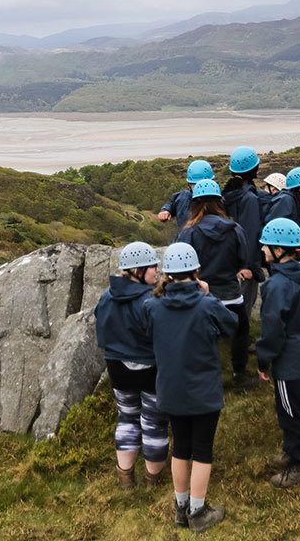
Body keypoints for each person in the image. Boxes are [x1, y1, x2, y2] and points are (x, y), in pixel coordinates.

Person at [140, 242, 237, 533]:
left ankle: (180, 508)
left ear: (166, 274)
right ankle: (198, 511)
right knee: (202, 450)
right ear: (196, 271)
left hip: (170, 389)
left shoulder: (152, 306)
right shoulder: (206, 304)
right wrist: (209, 294)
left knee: (180, 447)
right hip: (203, 390)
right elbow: (231, 326)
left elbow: (148, 331)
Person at [94, 242, 169, 490]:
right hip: (150, 369)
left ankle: (125, 478)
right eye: (152, 266)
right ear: (138, 270)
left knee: (126, 417)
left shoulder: (107, 296)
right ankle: (152, 480)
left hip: (117, 366)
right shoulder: (151, 300)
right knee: (153, 422)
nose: (156, 270)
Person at [177, 179, 262, 389]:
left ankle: (205, 378)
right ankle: (239, 375)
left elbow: (182, 264)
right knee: (241, 332)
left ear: (195, 203)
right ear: (220, 202)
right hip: (231, 293)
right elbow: (242, 258)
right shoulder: (234, 229)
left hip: (201, 295)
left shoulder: (188, 233)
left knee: (203, 338)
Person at [255, 218, 300, 488]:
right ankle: (298, 452)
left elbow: (272, 330)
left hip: (288, 360)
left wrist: (263, 360)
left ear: (278, 250)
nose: (262, 250)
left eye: (265, 246)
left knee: (290, 411)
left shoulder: (277, 285)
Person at [222, 146, 267, 318]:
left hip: (228, 258)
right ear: (254, 170)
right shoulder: (249, 199)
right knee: (245, 305)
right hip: (244, 262)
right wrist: (249, 266)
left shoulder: (227, 194)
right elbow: (250, 233)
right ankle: (241, 340)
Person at [157, 159, 214, 239]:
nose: (200, 188)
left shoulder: (217, 202)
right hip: (184, 243)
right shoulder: (183, 197)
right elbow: (172, 201)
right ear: (189, 185)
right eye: (196, 185)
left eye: (203, 184)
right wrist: (166, 210)